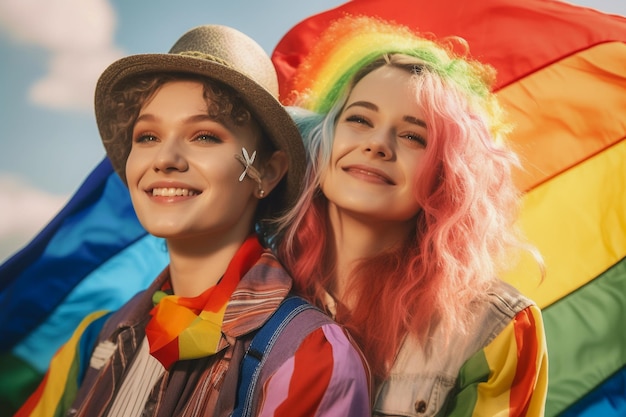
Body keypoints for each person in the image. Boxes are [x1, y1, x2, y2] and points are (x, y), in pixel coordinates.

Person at [15, 24, 370, 417]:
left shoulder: (308, 355)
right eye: (147, 136)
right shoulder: (92, 340)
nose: (165, 159)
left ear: (267, 173)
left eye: (204, 136)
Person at [276, 16, 548, 416]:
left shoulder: (497, 328)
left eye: (412, 136)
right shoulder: (255, 290)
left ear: (447, 175)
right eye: (359, 119)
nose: (377, 145)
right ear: (321, 137)